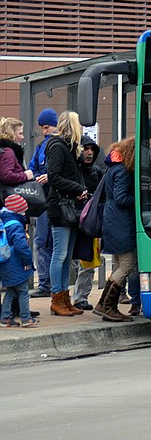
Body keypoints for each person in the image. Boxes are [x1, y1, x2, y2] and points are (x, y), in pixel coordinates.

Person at [44, 111, 88, 317]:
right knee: (60, 254)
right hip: (61, 207)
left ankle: (63, 299)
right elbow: (53, 176)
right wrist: (77, 188)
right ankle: (57, 298)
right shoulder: (58, 147)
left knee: (66, 256)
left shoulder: (67, 148)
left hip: (68, 205)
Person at [0, 118, 41, 320]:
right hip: (9, 202)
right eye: (20, 132)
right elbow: (7, 176)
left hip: (6, 204)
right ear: (11, 133)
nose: (23, 137)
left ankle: (11, 311)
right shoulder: (8, 152)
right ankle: (18, 311)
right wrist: (26, 174)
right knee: (16, 255)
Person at [93, 137, 136, 322]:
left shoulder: (113, 167)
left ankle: (105, 305)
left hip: (112, 219)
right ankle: (107, 306)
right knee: (127, 264)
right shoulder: (123, 171)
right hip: (120, 221)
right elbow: (121, 198)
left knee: (119, 264)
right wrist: (139, 201)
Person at [69, 137, 102, 311]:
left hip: (89, 223)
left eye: (92, 149)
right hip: (73, 220)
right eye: (85, 148)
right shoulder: (73, 171)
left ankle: (81, 297)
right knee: (70, 260)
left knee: (87, 262)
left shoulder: (96, 172)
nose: (89, 152)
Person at [27, 108, 57, 298]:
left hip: (47, 200)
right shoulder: (45, 146)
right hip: (49, 200)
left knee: (43, 242)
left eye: (46, 127)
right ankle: (50, 284)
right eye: (42, 128)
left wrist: (40, 175)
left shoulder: (45, 147)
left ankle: (47, 283)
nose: (44, 131)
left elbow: (33, 169)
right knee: (49, 243)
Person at [0, 194, 38, 328]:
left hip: (4, 263)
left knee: (10, 291)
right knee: (23, 291)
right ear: (18, 211)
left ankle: (5, 318)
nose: (25, 213)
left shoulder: (3, 220)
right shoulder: (15, 225)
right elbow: (21, 247)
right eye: (23, 211)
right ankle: (26, 318)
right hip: (15, 263)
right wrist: (27, 262)